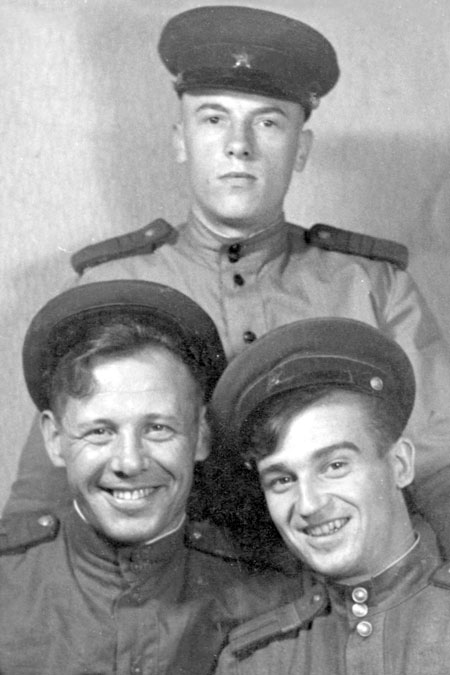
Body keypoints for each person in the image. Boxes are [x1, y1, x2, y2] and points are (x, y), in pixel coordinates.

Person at [6, 6, 450, 554]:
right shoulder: (106, 289)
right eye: (213, 119)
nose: (239, 144)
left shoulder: (373, 286)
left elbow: (439, 474)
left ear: (301, 149)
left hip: (330, 590)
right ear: (180, 140)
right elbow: (40, 509)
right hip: (163, 594)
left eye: (268, 122)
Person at [0, 279, 300, 675]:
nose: (130, 462)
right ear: (55, 440)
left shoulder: (273, 595)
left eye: (158, 428)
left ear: (201, 436)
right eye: (100, 431)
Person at [211, 317, 450, 675]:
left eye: (335, 466)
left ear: (399, 464)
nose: (309, 504)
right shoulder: (258, 662)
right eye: (282, 480)